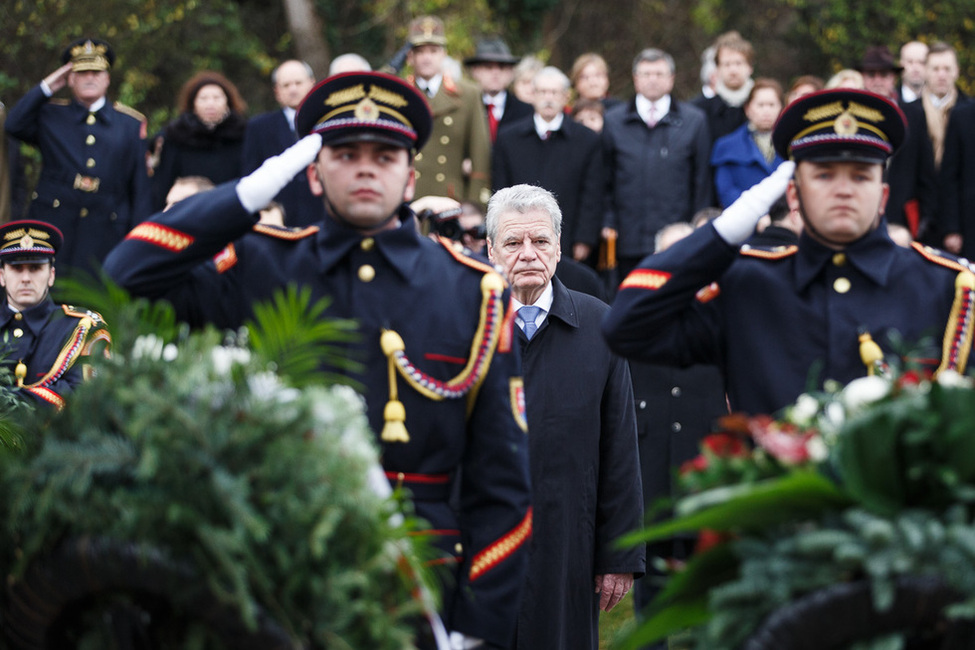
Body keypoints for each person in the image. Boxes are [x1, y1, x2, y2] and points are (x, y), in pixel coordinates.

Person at [104, 71, 531, 649]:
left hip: (417, 579)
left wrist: (475, 631)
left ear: (410, 176)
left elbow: (502, 486)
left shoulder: (470, 291)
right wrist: (249, 194)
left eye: (384, 155)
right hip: (278, 570)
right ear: (312, 170)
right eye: (344, 153)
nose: (364, 167)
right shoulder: (260, 265)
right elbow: (127, 276)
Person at [604, 88, 975, 416]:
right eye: (825, 175)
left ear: (884, 196)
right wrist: (732, 224)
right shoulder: (749, 284)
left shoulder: (946, 287)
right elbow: (627, 325)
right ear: (793, 195)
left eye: (861, 176)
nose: (844, 190)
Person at [485, 183, 644, 649]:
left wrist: (620, 553)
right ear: (490, 249)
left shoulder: (600, 325)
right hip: (485, 541)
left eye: (540, 241)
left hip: (570, 539)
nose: (527, 254)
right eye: (513, 243)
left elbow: (620, 446)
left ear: (559, 247)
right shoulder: (466, 325)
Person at [628, 221, 727, 650]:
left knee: (715, 601)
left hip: (707, 480)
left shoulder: (725, 319)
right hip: (650, 484)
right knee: (652, 603)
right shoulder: (632, 323)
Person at [4, 38, 150, 275]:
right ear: (69, 78)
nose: (90, 77)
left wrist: (138, 242)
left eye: (96, 72)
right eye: (82, 72)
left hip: (107, 233)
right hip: (54, 228)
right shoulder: (51, 114)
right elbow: (14, 125)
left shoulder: (130, 124)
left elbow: (140, 188)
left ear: (108, 78)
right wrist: (47, 86)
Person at [602, 48, 711, 279]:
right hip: (626, 239)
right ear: (635, 79)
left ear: (671, 79)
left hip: (677, 239)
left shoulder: (694, 121)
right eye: (646, 73)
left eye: (659, 74)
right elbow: (605, 179)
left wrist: (695, 230)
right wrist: (608, 223)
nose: (653, 79)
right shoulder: (613, 122)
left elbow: (701, 181)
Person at [492, 66, 604, 264]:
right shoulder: (508, 138)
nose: (548, 98)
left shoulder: (586, 140)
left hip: (569, 240)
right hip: (519, 241)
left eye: (555, 93)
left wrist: (584, 239)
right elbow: (500, 190)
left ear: (565, 97)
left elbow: (592, 194)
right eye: (543, 92)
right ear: (533, 95)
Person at [0, 220, 109, 409]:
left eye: (35, 268)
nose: (25, 278)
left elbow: (82, 395)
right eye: (17, 268)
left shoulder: (82, 327)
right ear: (2, 275)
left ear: (51, 275)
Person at [406, 16, 492, 208]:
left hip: (451, 195)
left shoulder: (468, 94)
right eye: (420, 51)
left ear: (444, 54)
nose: (427, 57)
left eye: (433, 51)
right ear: (410, 56)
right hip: (408, 196)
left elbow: (480, 150)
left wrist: (475, 201)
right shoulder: (400, 94)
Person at [857, 46, 936, 241]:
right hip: (861, 213)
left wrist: (927, 217)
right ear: (864, 78)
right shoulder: (852, 117)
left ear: (893, 78)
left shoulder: (913, 114)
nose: (877, 80)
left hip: (902, 217)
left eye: (883, 74)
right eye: (871, 75)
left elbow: (925, 171)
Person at [151, 71, 248, 212]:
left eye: (217, 97)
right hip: (188, 212)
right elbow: (163, 184)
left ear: (227, 101)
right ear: (193, 103)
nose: (210, 104)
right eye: (203, 98)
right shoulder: (176, 137)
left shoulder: (243, 135)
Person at [241, 60, 322, 227]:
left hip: (323, 220)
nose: (293, 89)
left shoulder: (328, 123)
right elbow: (251, 174)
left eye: (298, 83)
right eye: (286, 85)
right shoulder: (258, 127)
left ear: (312, 83)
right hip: (279, 224)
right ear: (277, 91)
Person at [710, 78, 785, 208]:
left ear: (781, 108)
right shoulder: (727, 146)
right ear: (748, 109)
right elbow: (726, 191)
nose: (766, 111)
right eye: (760, 105)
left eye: (772, 105)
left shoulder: (793, 144)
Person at [464, 38, 533, 143]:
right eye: (488, 67)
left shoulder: (526, 112)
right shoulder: (465, 108)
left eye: (502, 66)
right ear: (475, 71)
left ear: (511, 73)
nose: (495, 73)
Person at [692, 31, 754, 146]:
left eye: (738, 63)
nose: (733, 70)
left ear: (750, 67)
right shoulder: (699, 110)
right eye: (727, 64)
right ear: (717, 69)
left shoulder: (764, 104)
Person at [921, 41, 968, 170]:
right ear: (925, 71)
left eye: (947, 69)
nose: (941, 75)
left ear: (956, 71)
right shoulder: (911, 111)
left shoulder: (970, 111)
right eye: (935, 69)